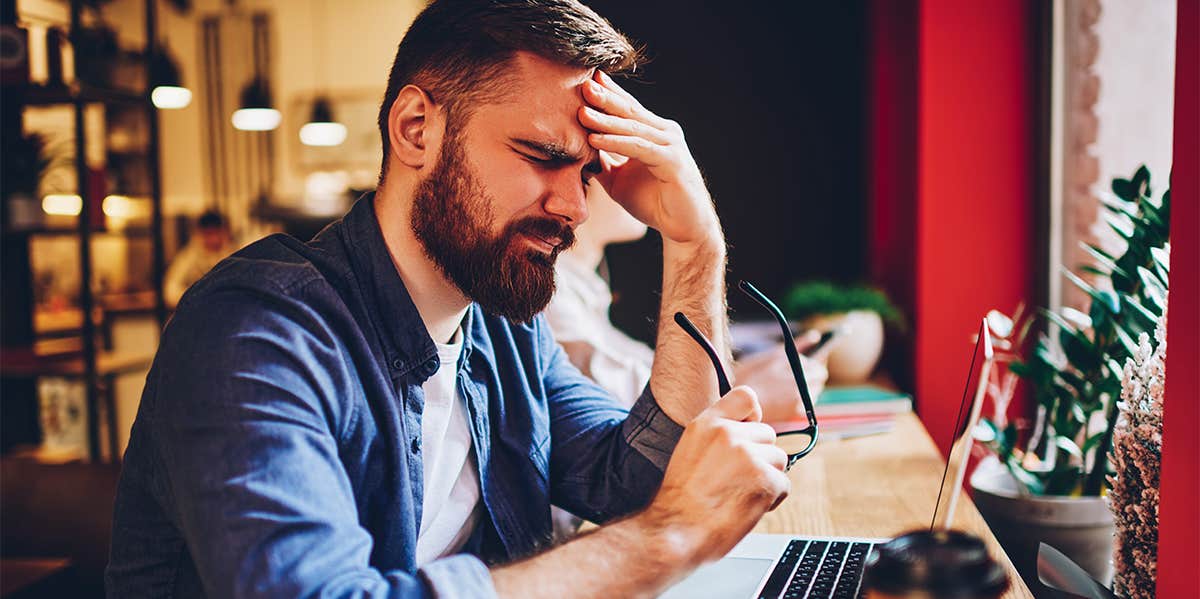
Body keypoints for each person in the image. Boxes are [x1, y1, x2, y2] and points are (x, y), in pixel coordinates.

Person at [107, 2, 794, 597]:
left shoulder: (502, 324)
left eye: (586, 173)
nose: (574, 207)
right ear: (415, 129)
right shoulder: (256, 333)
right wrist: (663, 540)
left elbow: (643, 480)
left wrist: (694, 240)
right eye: (544, 156)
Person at [546, 181, 830, 422]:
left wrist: (740, 376)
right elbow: (640, 423)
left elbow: (639, 372)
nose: (646, 176)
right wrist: (753, 397)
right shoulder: (547, 296)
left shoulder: (583, 287)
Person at [162, 210, 237, 307]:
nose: (213, 238)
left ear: (225, 232)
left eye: (216, 233)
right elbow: (170, 290)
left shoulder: (235, 254)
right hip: (198, 312)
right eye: (208, 234)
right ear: (200, 234)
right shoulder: (190, 256)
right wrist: (200, 298)